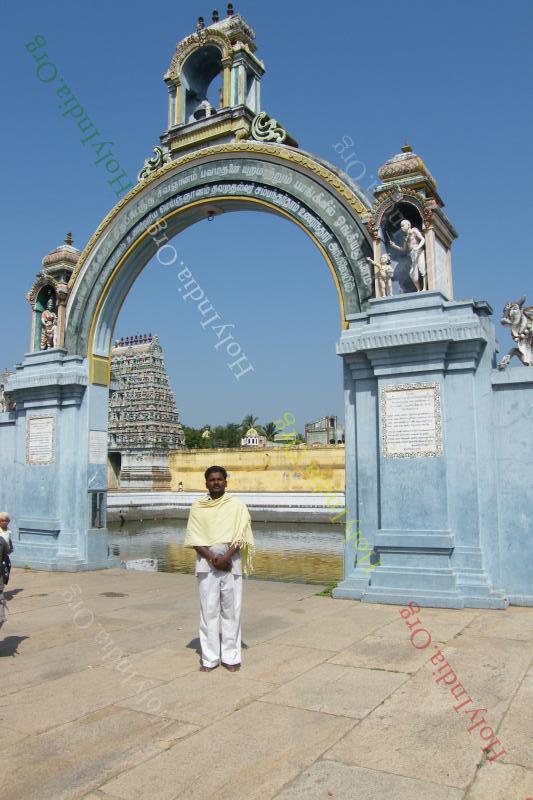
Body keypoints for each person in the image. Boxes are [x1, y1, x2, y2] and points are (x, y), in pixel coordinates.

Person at [184, 466, 254, 672]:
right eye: (212, 480)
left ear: (226, 482)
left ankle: (231, 657)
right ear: (206, 483)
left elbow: (242, 535)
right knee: (208, 612)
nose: (216, 482)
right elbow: (194, 537)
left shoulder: (237, 506)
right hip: (207, 563)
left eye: (220, 479)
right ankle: (210, 658)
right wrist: (213, 558)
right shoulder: (198, 507)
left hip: (231, 563)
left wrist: (226, 557)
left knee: (231, 612)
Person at [388, 219, 427, 291]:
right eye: (401, 226)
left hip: (419, 252)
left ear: (408, 225)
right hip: (412, 254)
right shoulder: (406, 237)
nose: (402, 227)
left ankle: (424, 288)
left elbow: (422, 239)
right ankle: (418, 289)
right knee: (412, 274)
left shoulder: (414, 231)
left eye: (403, 226)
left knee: (422, 269)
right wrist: (394, 246)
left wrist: (418, 247)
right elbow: (403, 249)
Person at [0, 512, 13, 586]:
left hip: (5, 554)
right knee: (1, 571)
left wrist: (11, 548)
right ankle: (1, 591)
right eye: (2, 520)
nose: (4, 522)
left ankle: (4, 582)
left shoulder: (8, 531)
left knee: (8, 567)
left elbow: (9, 541)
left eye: (6, 520)